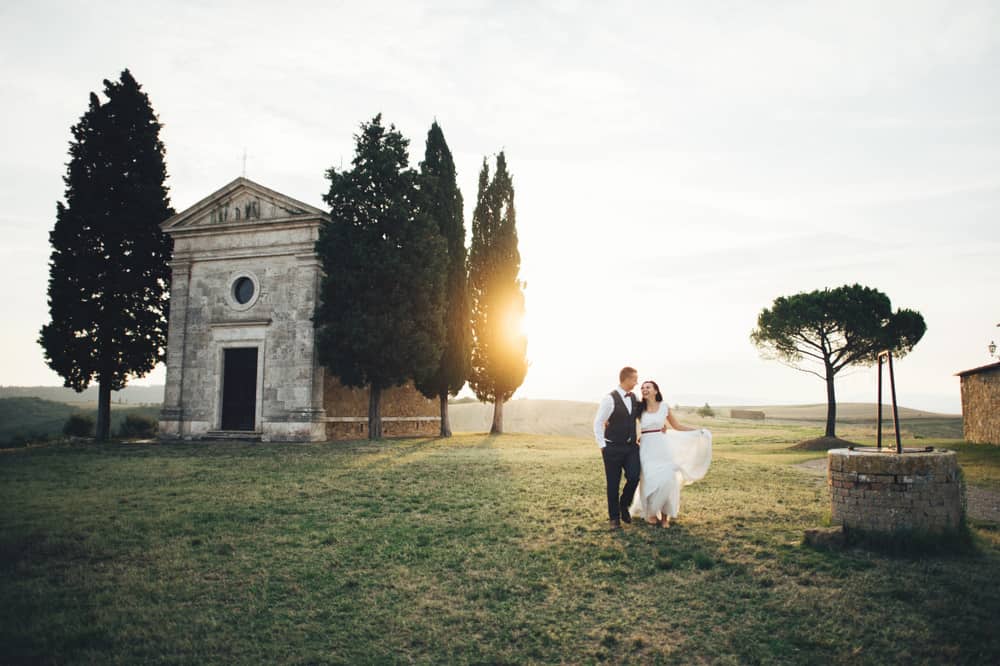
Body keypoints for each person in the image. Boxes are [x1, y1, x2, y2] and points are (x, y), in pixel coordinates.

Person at [629, 380, 712, 527]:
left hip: (663, 447)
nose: (644, 389)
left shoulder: (664, 407)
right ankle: (651, 513)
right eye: (642, 388)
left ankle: (665, 518)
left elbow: (677, 426)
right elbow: (627, 422)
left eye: (648, 387)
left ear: (656, 390)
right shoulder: (638, 408)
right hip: (646, 448)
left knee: (668, 479)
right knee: (649, 480)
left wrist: (697, 431)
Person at [593, 366, 641, 530]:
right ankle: (614, 519)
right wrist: (603, 446)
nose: (636, 382)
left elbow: (644, 413)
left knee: (634, 477)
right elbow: (598, 423)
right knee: (613, 483)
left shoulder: (634, 397)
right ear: (626, 379)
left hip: (631, 448)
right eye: (635, 379)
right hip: (612, 448)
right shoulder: (609, 399)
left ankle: (623, 505)